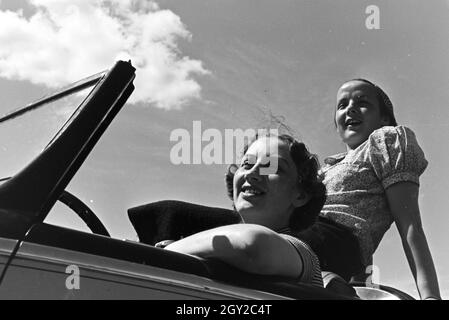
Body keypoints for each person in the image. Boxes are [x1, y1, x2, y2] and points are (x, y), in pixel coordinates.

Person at [299, 78, 440, 299]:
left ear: (383, 118)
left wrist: (431, 296)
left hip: (337, 243)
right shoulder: (327, 167)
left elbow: (411, 224)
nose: (351, 109)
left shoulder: (386, 142)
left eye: (362, 102)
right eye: (342, 105)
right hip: (300, 231)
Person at [165, 134, 326, 287]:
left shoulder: (303, 254)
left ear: (301, 196)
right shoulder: (216, 249)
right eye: (246, 164)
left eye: (272, 167)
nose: (252, 173)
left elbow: (254, 245)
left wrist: (170, 252)